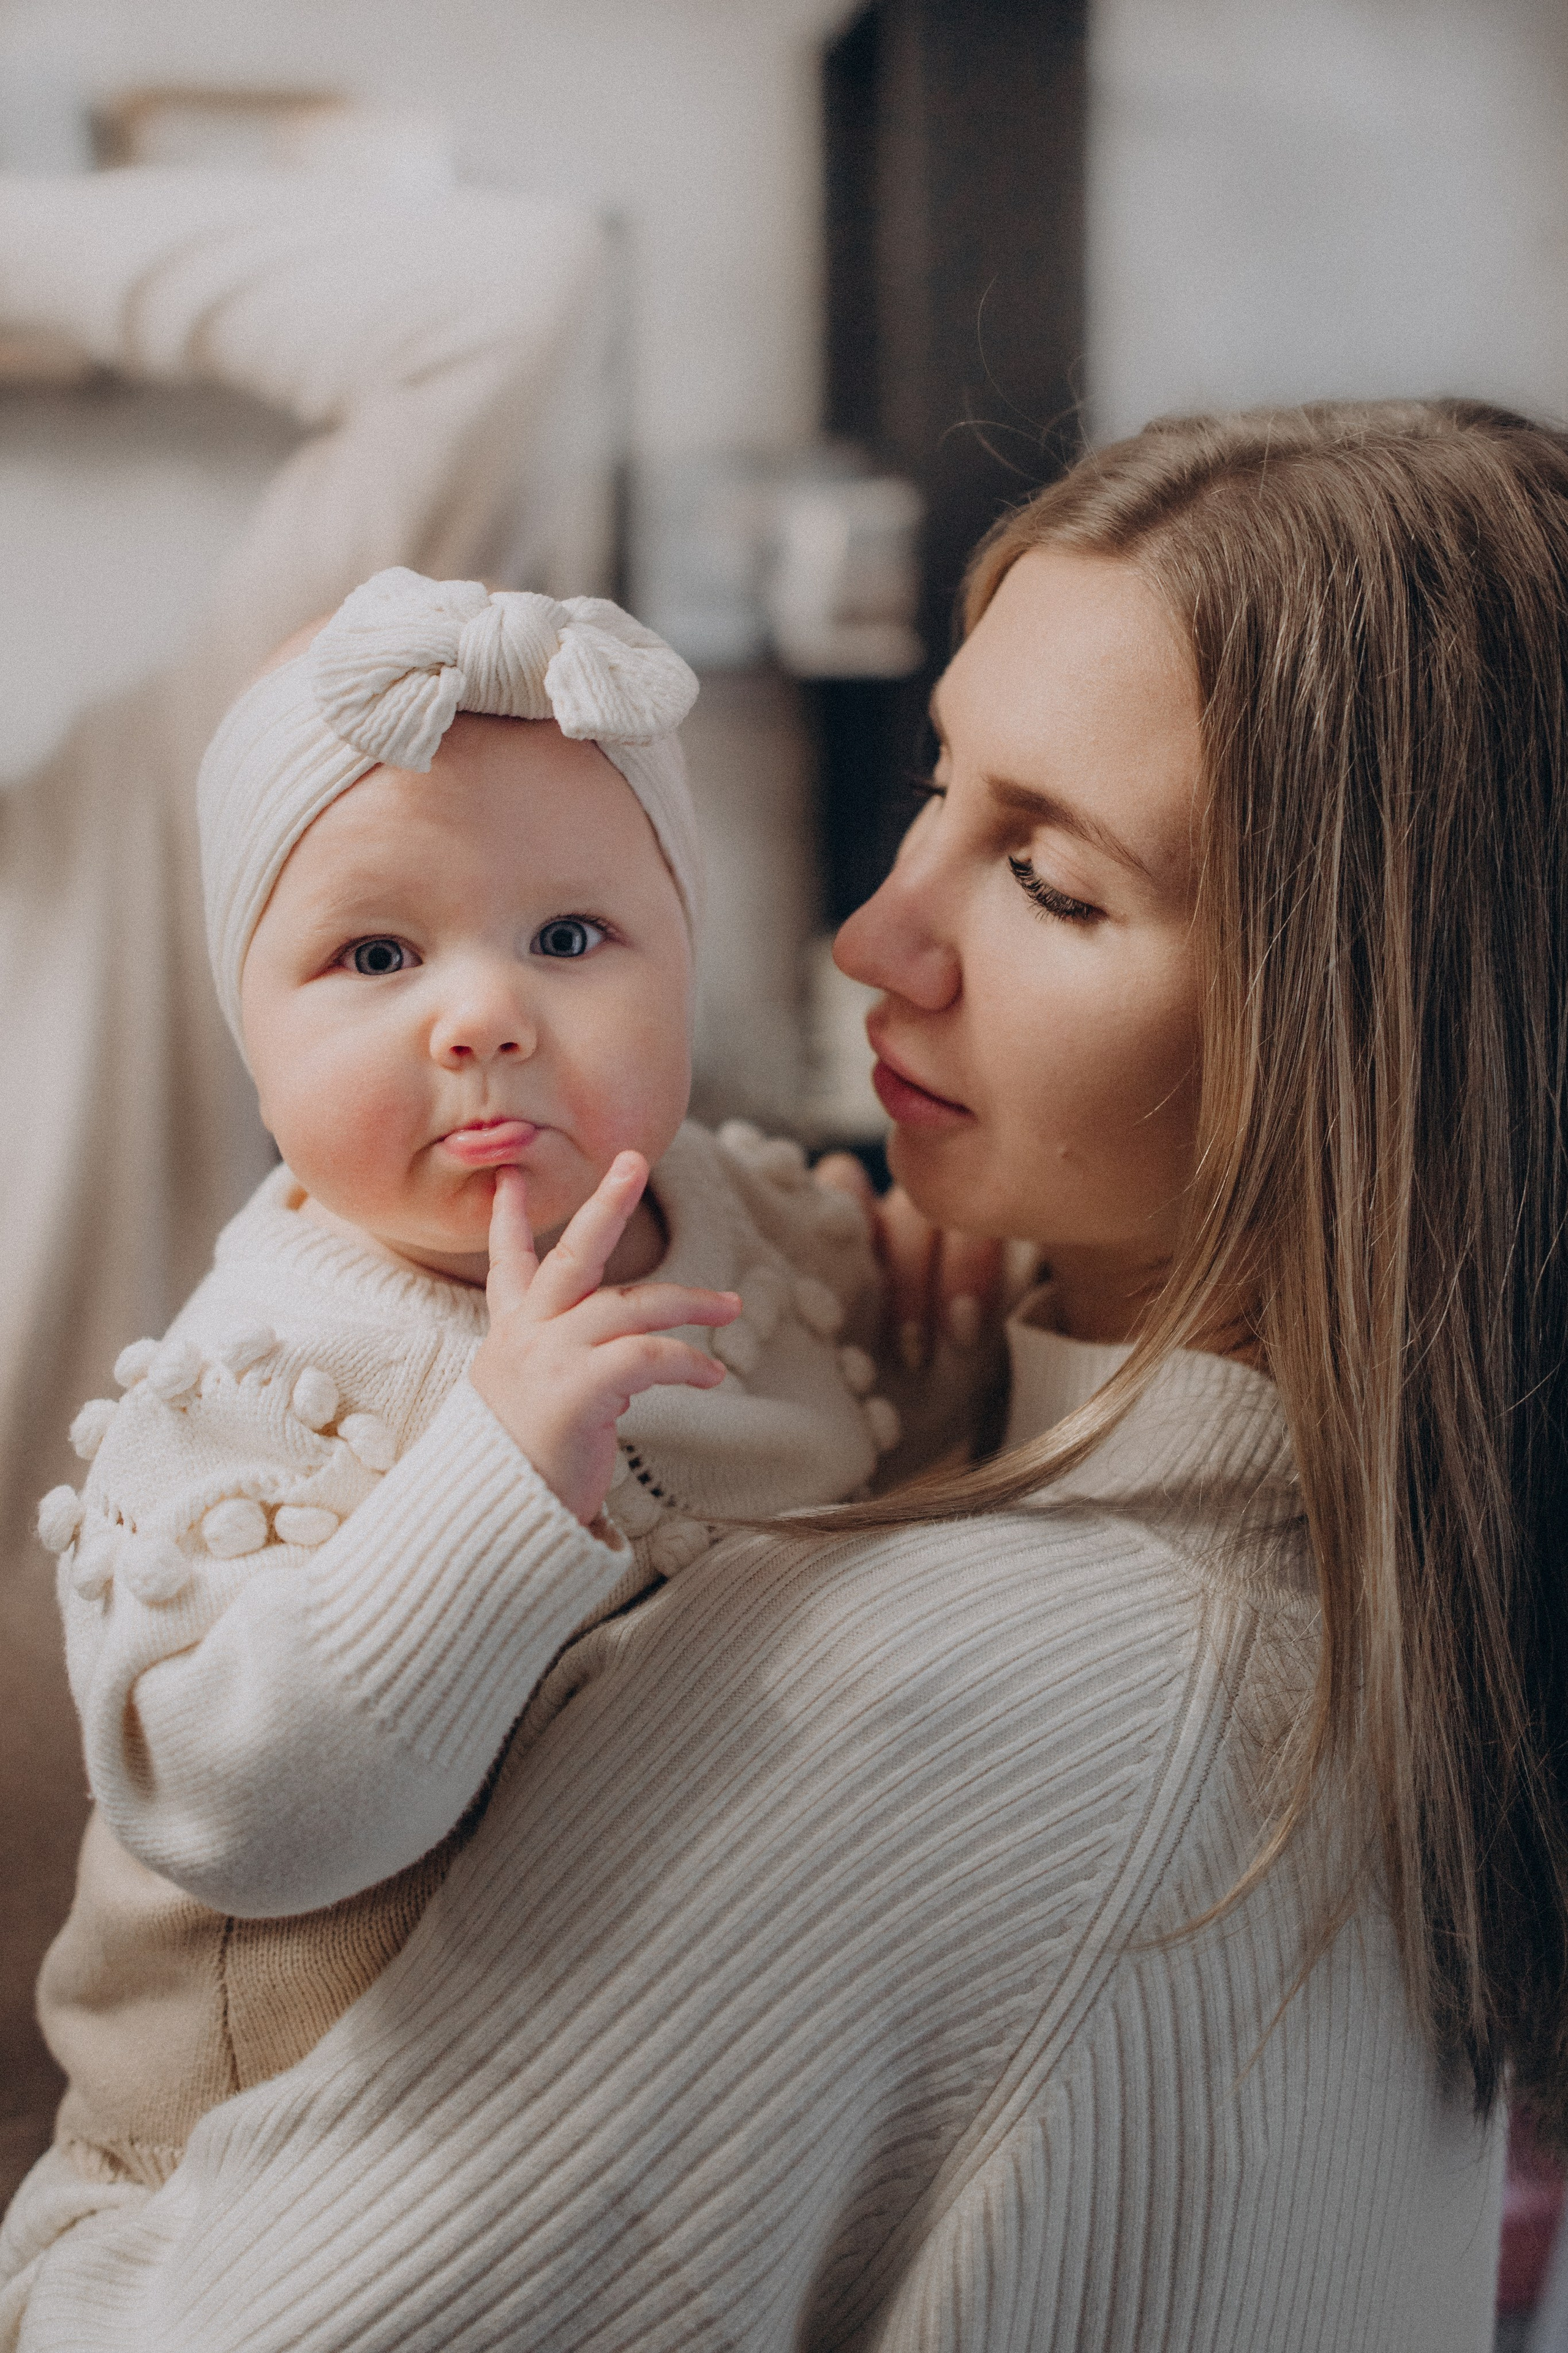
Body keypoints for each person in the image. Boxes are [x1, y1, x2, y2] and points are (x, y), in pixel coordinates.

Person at [12, 397, 1562, 2351]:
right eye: (940, 789)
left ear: (1378, 1050)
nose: (874, 934)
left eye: (1054, 882)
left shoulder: (921, 1706)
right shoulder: (1421, 1612)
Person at [0, 568, 915, 2326]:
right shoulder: (250, 1383)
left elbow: (869, 1476)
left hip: (625, 2150)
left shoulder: (760, 1230)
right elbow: (224, 1805)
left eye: (572, 939)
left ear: (684, 961)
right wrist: (491, 1485)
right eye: (375, 955)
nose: (483, 1014)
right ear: (247, 1030)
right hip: (230, 2199)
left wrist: (947, 1338)